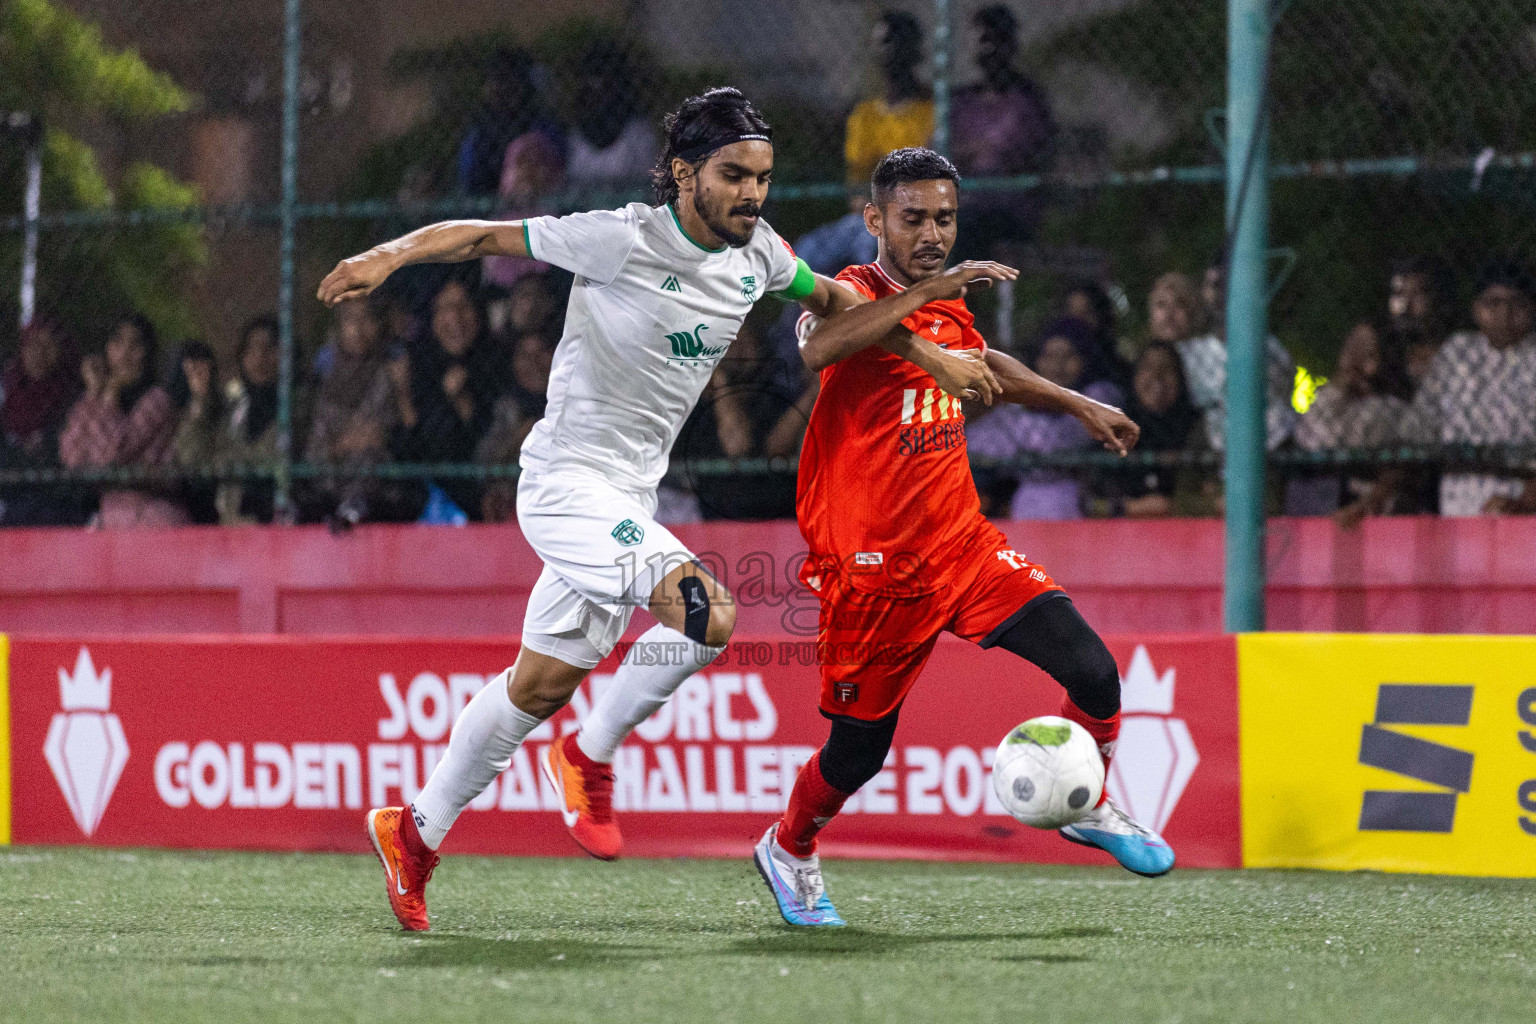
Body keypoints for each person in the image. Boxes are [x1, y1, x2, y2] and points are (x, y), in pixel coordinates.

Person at [317, 88, 995, 932]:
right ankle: (593, 753)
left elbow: (834, 302)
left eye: (763, 177)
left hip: (628, 496)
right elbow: (486, 235)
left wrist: (927, 351)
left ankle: (412, 833)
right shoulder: (620, 238)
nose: (753, 193)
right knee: (709, 612)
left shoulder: (759, 257)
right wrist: (390, 254)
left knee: (538, 684)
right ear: (683, 174)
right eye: (734, 175)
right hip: (567, 484)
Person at [748, 148, 1166, 928]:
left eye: (944, 218)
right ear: (875, 220)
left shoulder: (946, 306)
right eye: (914, 218)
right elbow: (817, 347)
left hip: (961, 547)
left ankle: (1090, 799)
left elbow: (983, 364)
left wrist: (1075, 403)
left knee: (1095, 670)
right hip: (872, 570)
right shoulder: (849, 291)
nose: (933, 233)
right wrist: (932, 290)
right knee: (856, 755)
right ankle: (790, 846)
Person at [965, 318, 1124, 520]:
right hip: (1026, 503)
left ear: (1085, 360)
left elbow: (1058, 441)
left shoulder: (1102, 395)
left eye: (1068, 355)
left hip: (1079, 501)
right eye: (1049, 355)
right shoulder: (1019, 408)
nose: (1058, 364)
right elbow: (975, 440)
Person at [1412, 261, 1536, 516]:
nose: (1504, 313)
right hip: (1458, 509)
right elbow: (1420, 426)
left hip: (1521, 510)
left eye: (1516, 303)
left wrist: (1527, 500)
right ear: (1476, 309)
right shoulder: (1457, 352)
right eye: (1493, 303)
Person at [1286, 320, 1428, 526]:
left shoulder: (1391, 409)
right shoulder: (1332, 399)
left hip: (1362, 505)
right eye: (1352, 346)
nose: (1355, 356)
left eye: (1366, 351)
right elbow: (1309, 438)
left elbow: (1398, 468)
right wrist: (1341, 385)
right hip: (1316, 501)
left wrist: (1368, 502)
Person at [950, 4, 1057, 258]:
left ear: (1011, 46)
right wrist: (978, 152)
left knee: (962, 230)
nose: (989, 50)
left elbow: (1020, 155)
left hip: (1009, 210)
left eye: (997, 41)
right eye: (983, 41)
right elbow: (938, 152)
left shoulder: (1028, 101)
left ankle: (957, 298)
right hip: (962, 204)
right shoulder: (962, 101)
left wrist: (974, 154)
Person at [60, 314, 187, 527]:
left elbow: (112, 454)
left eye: (135, 344)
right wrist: (93, 393)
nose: (125, 353)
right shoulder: (96, 398)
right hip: (112, 517)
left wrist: (110, 394)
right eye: (118, 342)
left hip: (153, 518)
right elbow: (71, 456)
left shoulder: (158, 399)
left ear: (147, 353)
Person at [391, 278, 502, 520]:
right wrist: (403, 397)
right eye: (445, 308)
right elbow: (411, 448)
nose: (455, 318)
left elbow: (487, 444)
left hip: (478, 496)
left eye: (463, 306)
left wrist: (463, 403)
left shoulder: (496, 361)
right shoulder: (417, 365)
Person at [304, 298, 406, 527]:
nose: (358, 328)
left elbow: (389, 434)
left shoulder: (390, 374)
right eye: (350, 320)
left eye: (367, 318)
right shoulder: (325, 384)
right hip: (330, 489)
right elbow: (315, 451)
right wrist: (342, 445)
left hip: (380, 492)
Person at [1175, 264, 1296, 452]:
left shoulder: (1270, 349)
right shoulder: (1188, 352)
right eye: (1212, 285)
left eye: (1224, 285)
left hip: (1269, 447)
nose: (1218, 294)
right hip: (1209, 448)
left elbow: (1282, 401)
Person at [0, 316, 83, 526]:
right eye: (33, 344)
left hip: (54, 500)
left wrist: (46, 440)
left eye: (48, 345)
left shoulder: (73, 396)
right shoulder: (6, 387)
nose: (39, 353)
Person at [1117, 341, 1213, 518]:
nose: (1157, 376)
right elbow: (1092, 501)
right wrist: (1131, 507)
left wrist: (1174, 506)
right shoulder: (1115, 426)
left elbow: (1213, 498)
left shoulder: (1198, 427)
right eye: (1148, 367)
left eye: (1167, 368)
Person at [844, 11, 934, 189]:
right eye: (884, 43)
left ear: (915, 49)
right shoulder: (864, 115)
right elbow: (858, 184)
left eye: (900, 42)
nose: (891, 50)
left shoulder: (935, 109)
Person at [215, 315, 283, 525]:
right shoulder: (232, 406)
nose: (260, 356)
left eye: (270, 347)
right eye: (252, 349)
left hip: (280, 522)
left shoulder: (297, 405)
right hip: (232, 521)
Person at [168, 340, 223, 524]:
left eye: (202, 369)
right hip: (177, 495)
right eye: (191, 371)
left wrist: (201, 399)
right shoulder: (166, 409)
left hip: (209, 494)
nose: (197, 377)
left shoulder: (222, 408)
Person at [1387, 255, 1456, 389]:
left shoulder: (1460, 361)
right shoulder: (1380, 364)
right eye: (1398, 294)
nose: (1405, 306)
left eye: (1417, 294)